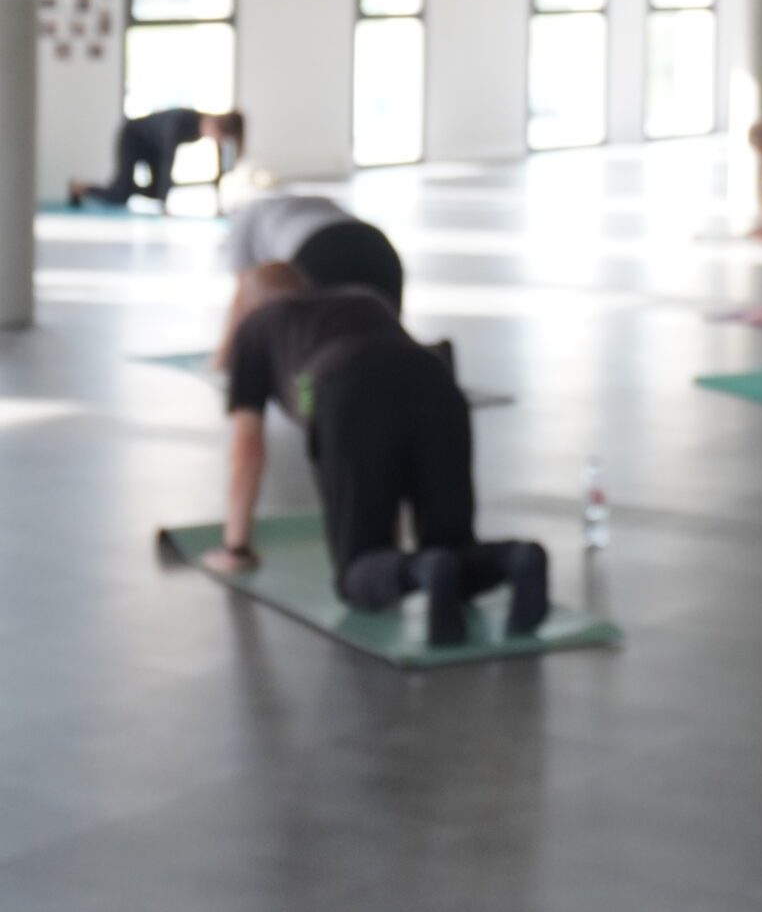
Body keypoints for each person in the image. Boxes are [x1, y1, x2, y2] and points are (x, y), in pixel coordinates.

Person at [205, 262, 549, 648]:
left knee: (358, 570)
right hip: (437, 383)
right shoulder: (362, 297)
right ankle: (517, 558)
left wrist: (236, 546)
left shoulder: (257, 323)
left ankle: (425, 567)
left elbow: (246, 445)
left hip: (349, 395)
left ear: (245, 302)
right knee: (454, 547)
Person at [226, 191, 404, 312]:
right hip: (376, 245)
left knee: (323, 341)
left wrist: (219, 363)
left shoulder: (243, 220)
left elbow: (243, 301)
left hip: (318, 251)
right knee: (388, 333)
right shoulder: (304, 202)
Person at [71, 107, 245, 211]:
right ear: (214, 125)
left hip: (153, 147)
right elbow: (167, 161)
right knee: (120, 195)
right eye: (217, 136)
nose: (215, 140)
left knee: (155, 191)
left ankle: (127, 187)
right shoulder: (182, 121)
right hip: (133, 137)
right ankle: (80, 188)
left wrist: (220, 194)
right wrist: (165, 204)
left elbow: (221, 165)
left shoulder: (208, 127)